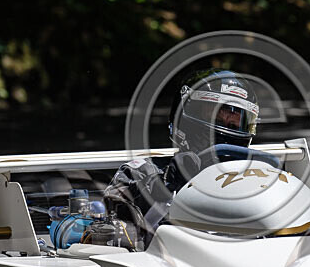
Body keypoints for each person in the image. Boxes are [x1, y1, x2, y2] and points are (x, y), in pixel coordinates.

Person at [102, 69, 262, 239]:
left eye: (233, 126)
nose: (225, 129)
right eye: (217, 120)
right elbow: (111, 224)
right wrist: (162, 186)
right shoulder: (142, 171)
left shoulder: (253, 179)